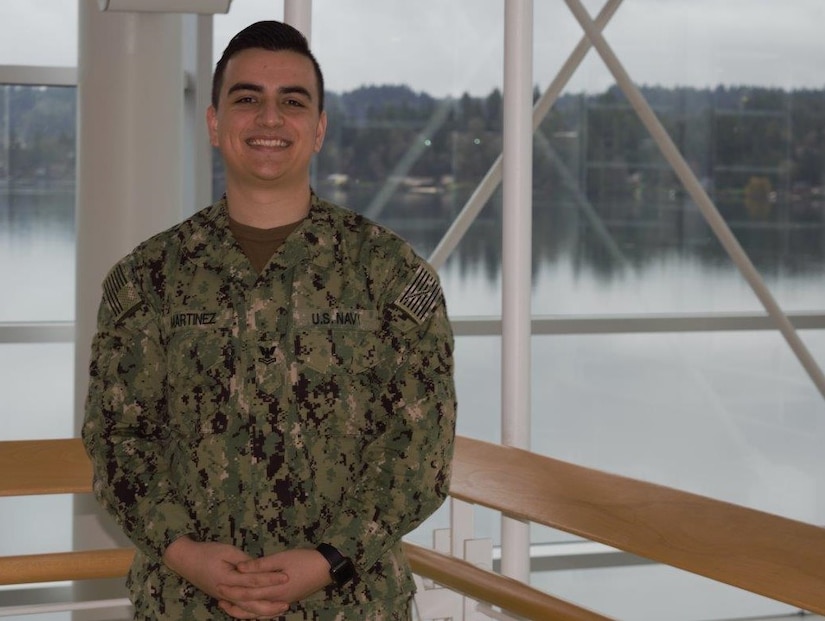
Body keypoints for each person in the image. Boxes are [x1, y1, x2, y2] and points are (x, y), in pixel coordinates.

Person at [82, 20, 456, 621]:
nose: (269, 119)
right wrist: (186, 554)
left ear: (319, 129)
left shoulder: (388, 275)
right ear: (213, 123)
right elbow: (118, 441)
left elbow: (420, 451)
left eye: (292, 102)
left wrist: (329, 557)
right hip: (188, 602)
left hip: (350, 603)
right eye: (247, 98)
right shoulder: (149, 279)